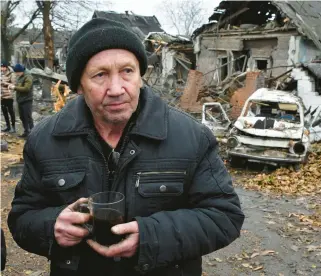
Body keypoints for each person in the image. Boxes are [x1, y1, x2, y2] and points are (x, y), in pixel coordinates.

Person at [8, 18, 244, 276]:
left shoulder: (191, 136)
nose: (117, 89)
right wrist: (51, 227)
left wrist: (151, 237)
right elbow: (22, 218)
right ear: (78, 86)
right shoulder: (45, 139)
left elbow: (224, 217)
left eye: (127, 71)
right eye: (100, 75)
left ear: (140, 75)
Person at [9, 64, 34, 138]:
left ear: (21, 71)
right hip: (20, 100)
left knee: (28, 117)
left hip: (27, 100)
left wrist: (15, 88)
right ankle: (26, 132)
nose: (16, 74)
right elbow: (18, 85)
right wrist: (12, 86)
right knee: (22, 117)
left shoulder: (28, 76)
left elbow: (26, 88)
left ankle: (32, 135)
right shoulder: (20, 76)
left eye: (17, 73)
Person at [1, 61, 17, 133]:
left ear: (6, 67)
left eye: (3, 67)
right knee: (4, 112)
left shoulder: (11, 74)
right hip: (2, 97)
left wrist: (4, 83)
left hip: (9, 97)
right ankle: (8, 126)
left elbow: (13, 85)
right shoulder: (1, 74)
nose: (2, 68)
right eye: (1, 67)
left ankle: (13, 127)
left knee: (11, 112)